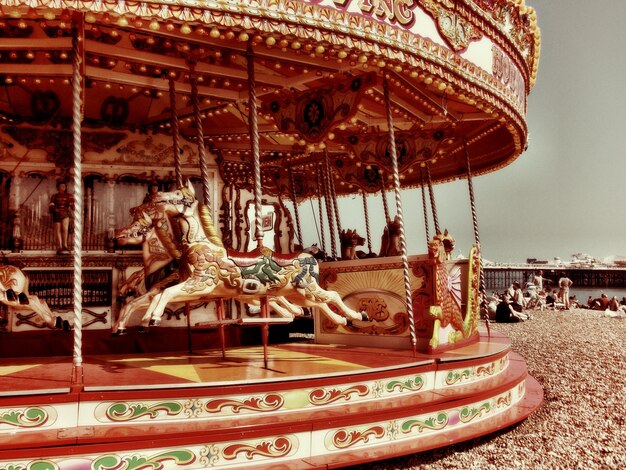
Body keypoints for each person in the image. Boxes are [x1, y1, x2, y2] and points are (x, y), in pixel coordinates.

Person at [49, 181, 74, 254]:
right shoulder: (54, 196)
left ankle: (65, 245)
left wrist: (73, 205)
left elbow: (72, 205)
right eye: (61, 186)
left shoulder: (69, 196)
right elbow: (51, 204)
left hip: (65, 213)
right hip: (57, 214)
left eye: (64, 186)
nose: (63, 187)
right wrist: (54, 209)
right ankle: (60, 246)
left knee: (65, 229)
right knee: (58, 230)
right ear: (58, 187)